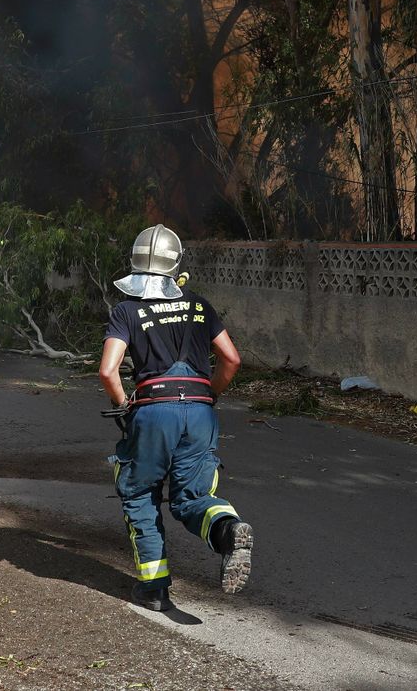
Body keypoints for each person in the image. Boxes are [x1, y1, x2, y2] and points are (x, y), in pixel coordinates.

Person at [98, 224, 252, 612]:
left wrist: (124, 407)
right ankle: (228, 530)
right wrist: (209, 394)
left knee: (138, 491)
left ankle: (154, 589)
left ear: (135, 263)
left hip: (152, 412)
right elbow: (231, 359)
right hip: (200, 410)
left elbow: (107, 370)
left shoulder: (126, 311)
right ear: (176, 263)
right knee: (194, 497)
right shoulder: (199, 305)